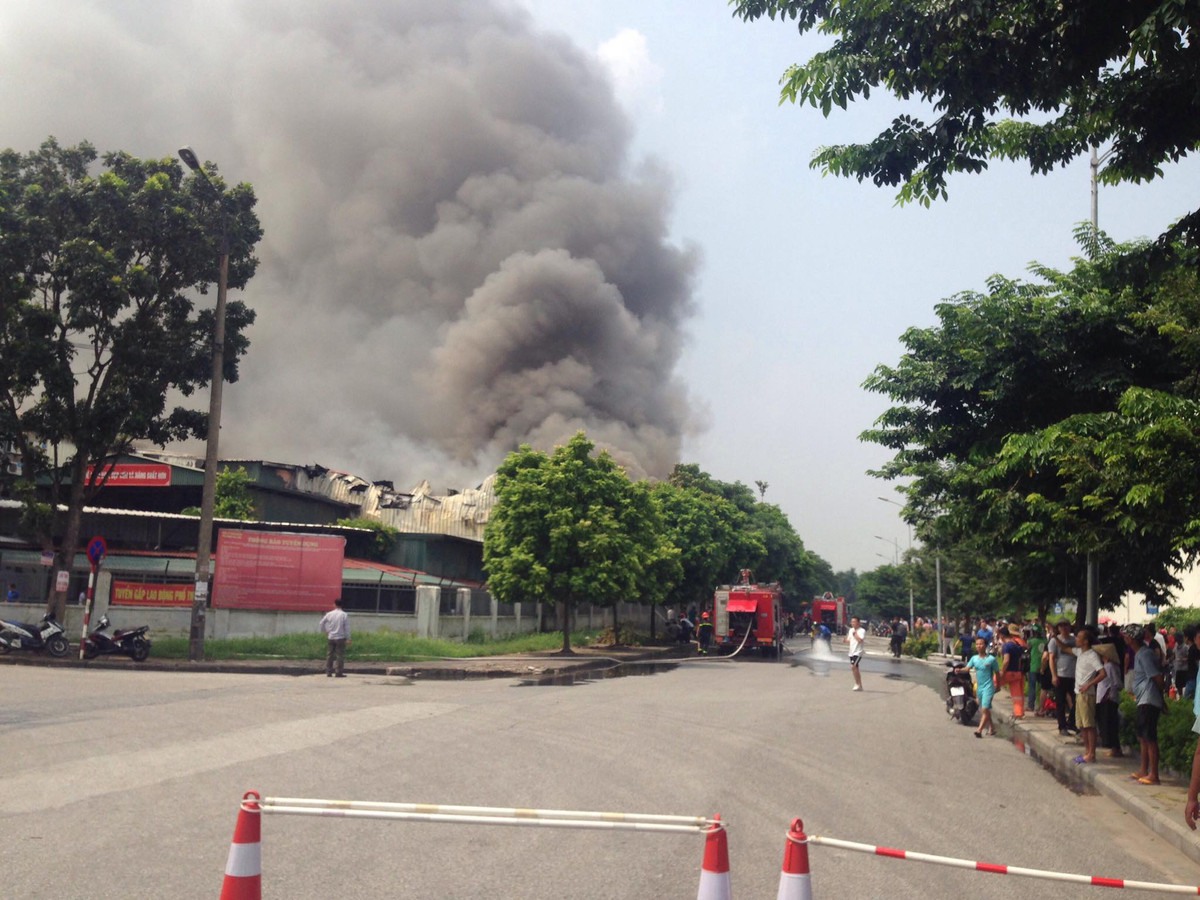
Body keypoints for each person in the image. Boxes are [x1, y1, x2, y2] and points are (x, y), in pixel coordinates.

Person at [1132, 624, 1166, 785]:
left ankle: (1154, 773)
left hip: (1149, 699)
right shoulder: (1140, 653)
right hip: (1143, 699)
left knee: (1149, 737)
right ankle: (1144, 769)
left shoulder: (1144, 654)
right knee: (1142, 736)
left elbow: (1157, 677)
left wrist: (1161, 698)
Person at [1071, 626, 1106, 765]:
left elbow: (1102, 673)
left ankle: (1091, 753)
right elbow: (1066, 648)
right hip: (1078, 693)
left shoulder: (1092, 655)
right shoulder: (1080, 653)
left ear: (1085, 641)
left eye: (1079, 637)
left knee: (1089, 725)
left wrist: (1088, 684)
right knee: (1082, 725)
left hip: (1086, 694)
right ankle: (1086, 752)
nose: (1076, 639)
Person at [1048, 620, 1077, 735]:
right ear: (1058, 628)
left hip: (1074, 674)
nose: (1064, 628)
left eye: (1066, 625)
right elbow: (1051, 658)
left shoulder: (1074, 640)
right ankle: (1062, 727)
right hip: (1060, 674)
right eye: (1061, 626)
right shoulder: (1054, 641)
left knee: (1077, 701)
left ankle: (1072, 722)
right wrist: (1054, 675)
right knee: (1060, 702)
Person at [967, 637, 999, 737]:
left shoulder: (991, 659)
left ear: (985, 645)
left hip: (988, 687)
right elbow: (967, 668)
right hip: (979, 687)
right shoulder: (974, 658)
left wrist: (997, 685)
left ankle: (979, 730)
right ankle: (992, 728)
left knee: (984, 709)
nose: (979, 646)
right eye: (977, 644)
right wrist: (958, 670)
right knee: (984, 709)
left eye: (981, 644)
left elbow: (997, 673)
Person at [1097, 645, 1124, 759]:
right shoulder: (1108, 666)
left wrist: (1110, 692)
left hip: (1108, 698)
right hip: (1106, 697)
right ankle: (1114, 748)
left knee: (1110, 724)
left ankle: (1115, 748)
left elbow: (1117, 682)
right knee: (1108, 724)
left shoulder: (1109, 666)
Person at [999, 624, 1026, 718]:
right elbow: (1019, 660)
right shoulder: (1017, 645)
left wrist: (1002, 671)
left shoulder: (1006, 646)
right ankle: (1018, 713)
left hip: (1008, 672)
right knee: (1017, 695)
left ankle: (980, 702)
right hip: (1017, 673)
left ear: (1001, 636)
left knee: (990, 685)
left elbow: (1006, 660)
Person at [320, 597, 350, 678]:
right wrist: (348, 638)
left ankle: (328, 672)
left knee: (329, 655)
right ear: (342, 605)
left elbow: (321, 623)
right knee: (339, 655)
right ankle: (338, 672)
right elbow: (346, 628)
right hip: (340, 638)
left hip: (331, 637)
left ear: (334, 604)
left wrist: (324, 631)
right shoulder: (344, 615)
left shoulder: (329, 614)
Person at [844, 615, 866, 692]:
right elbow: (850, 639)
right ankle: (860, 685)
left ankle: (857, 684)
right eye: (851, 622)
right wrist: (845, 640)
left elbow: (860, 640)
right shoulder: (851, 630)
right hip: (851, 652)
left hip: (858, 652)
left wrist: (855, 634)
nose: (852, 623)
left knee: (853, 666)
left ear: (858, 623)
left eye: (854, 622)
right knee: (855, 668)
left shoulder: (862, 630)